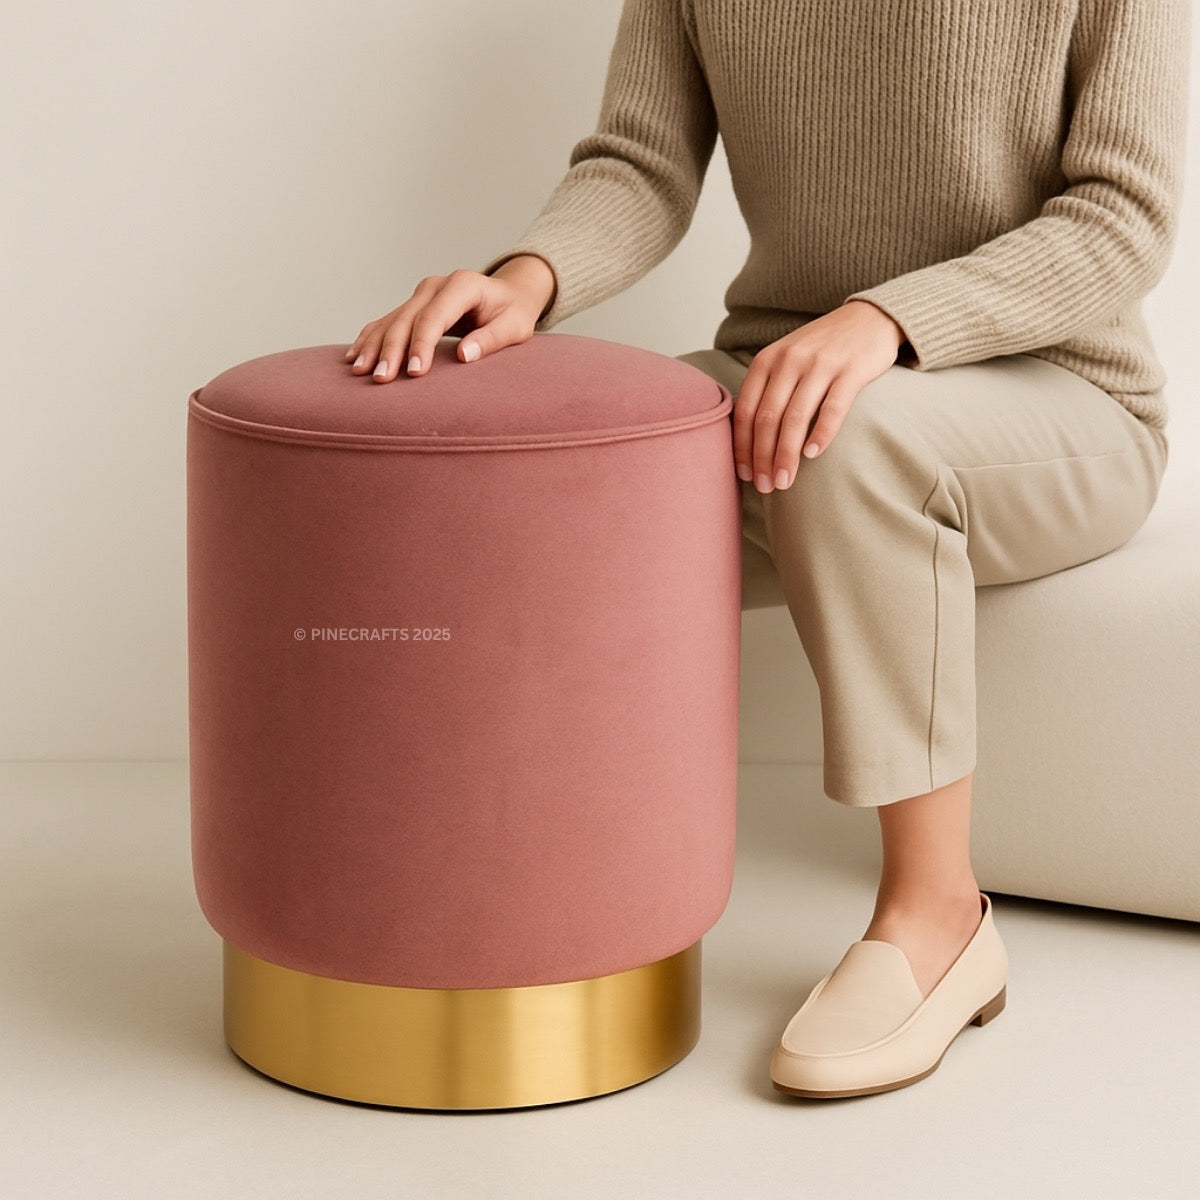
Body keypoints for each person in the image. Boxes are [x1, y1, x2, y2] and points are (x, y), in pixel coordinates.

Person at [344, 0, 1189, 1098]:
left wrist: (888, 320)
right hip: (785, 376)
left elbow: (1122, 218)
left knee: (854, 441)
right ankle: (543, 887)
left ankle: (938, 914)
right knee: (564, 466)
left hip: (1062, 396)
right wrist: (528, 278)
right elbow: (643, 165)